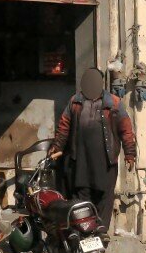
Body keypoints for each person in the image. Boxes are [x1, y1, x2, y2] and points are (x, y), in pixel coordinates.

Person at [49, 67, 137, 232]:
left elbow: (126, 129)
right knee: (81, 200)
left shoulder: (114, 103)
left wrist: (130, 154)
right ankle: (83, 232)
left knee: (104, 199)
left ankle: (101, 233)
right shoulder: (75, 102)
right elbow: (64, 126)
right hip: (81, 163)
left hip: (105, 163)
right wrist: (57, 146)